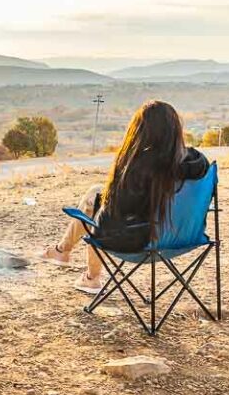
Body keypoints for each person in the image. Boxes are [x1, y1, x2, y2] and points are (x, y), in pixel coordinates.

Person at [43, 100, 210, 294]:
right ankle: (62, 251)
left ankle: (89, 275)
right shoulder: (198, 161)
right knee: (95, 192)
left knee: (94, 208)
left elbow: (114, 214)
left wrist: (98, 205)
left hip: (141, 240)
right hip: (184, 236)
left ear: (141, 130)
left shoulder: (141, 165)